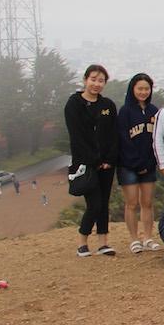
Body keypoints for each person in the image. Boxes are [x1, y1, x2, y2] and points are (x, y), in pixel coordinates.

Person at [64, 64, 119, 257]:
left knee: (104, 202)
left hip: (107, 163)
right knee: (94, 203)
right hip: (86, 164)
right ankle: (82, 241)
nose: (96, 84)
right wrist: (95, 161)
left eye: (101, 80)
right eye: (93, 79)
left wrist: (110, 159)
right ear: (85, 79)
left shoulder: (108, 106)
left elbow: (114, 134)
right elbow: (77, 137)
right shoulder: (74, 104)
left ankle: (103, 243)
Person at [116, 72, 160, 254]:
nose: (143, 92)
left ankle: (148, 237)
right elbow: (123, 139)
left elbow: (157, 137)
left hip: (149, 163)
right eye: (140, 88)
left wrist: (150, 161)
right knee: (132, 203)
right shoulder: (125, 111)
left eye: (146, 88)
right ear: (132, 89)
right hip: (128, 165)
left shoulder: (153, 111)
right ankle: (134, 239)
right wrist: (136, 162)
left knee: (147, 202)